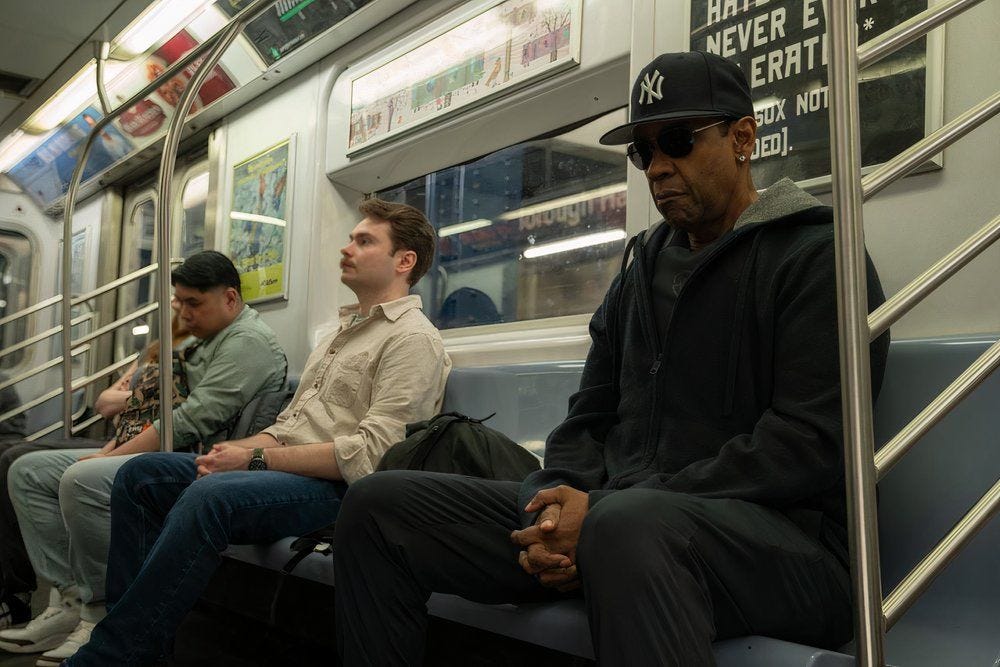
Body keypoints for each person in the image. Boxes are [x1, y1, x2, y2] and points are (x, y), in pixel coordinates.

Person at [332, 51, 891, 666]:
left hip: (786, 546)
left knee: (628, 526)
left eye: (677, 141)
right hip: (617, 518)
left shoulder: (816, 256)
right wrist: (557, 504)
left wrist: (598, 512)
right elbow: (586, 416)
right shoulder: (639, 272)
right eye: (643, 152)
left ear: (743, 138)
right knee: (378, 507)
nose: (657, 167)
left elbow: (809, 444)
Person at [67, 198, 451, 666]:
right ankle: (142, 649)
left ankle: (110, 658)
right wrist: (236, 450)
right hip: (285, 470)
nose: (347, 248)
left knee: (211, 498)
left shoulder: (412, 339)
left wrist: (251, 460)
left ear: (404, 261)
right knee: (142, 475)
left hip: (339, 489)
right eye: (351, 237)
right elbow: (290, 428)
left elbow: (372, 455)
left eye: (364, 241)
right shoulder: (338, 334)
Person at [0, 251, 286, 665]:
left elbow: (187, 421)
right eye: (179, 302)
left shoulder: (248, 344)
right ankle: (70, 600)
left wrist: (107, 453)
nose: (182, 313)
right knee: (26, 471)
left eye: (193, 304)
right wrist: (111, 442)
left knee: (80, 478)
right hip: (155, 443)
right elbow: (116, 395)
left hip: (201, 457)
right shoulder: (190, 335)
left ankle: (99, 612)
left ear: (229, 298)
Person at [0, 313, 189, 634]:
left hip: (140, 442)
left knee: (21, 459)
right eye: (176, 300)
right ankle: (58, 597)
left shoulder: (192, 353)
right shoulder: (154, 351)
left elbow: (175, 407)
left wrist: (135, 401)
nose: (178, 307)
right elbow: (104, 402)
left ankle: (71, 605)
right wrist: (146, 397)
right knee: (14, 461)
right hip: (119, 437)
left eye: (188, 301)